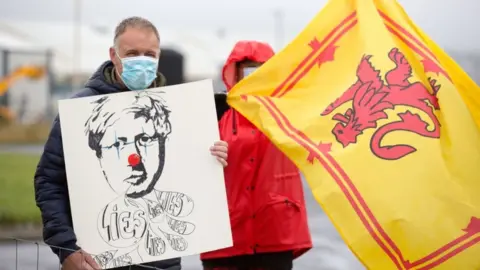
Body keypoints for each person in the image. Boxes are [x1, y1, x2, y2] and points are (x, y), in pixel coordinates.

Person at [34, 16, 228, 270]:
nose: (142, 61)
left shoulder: (180, 111)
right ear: (114, 55)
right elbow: (49, 182)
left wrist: (214, 159)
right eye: (132, 53)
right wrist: (66, 249)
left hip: (163, 263)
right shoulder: (78, 111)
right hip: (94, 262)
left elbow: (189, 176)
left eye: (149, 54)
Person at [201, 40, 312, 270]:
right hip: (225, 234)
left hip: (275, 232)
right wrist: (208, 153)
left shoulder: (290, 112)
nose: (254, 73)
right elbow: (186, 160)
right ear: (235, 72)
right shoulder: (214, 110)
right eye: (248, 67)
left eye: (261, 67)